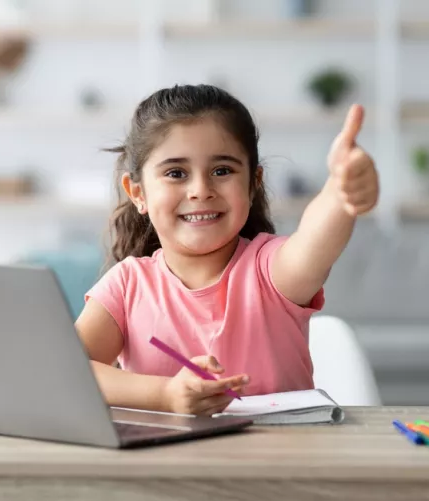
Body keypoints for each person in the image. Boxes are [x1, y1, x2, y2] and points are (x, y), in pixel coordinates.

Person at [76, 84, 379, 416]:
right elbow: (68, 370)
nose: (200, 190)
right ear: (137, 193)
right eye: (176, 173)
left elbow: (316, 239)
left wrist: (340, 193)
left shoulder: (273, 270)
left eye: (222, 171)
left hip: (281, 465)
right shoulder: (126, 285)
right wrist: (164, 394)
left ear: (253, 184)